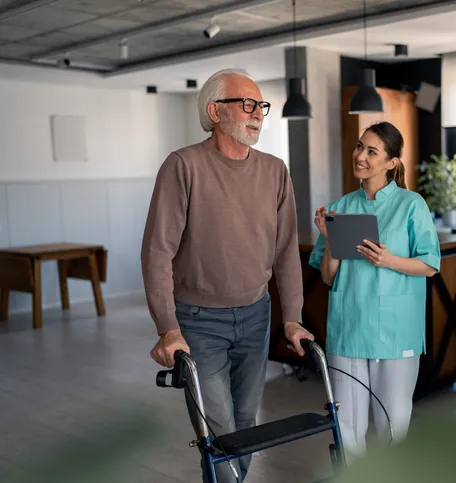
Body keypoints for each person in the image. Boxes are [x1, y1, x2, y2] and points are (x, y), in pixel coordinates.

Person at [141, 69, 312, 482]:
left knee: (245, 423)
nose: (258, 115)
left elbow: (286, 250)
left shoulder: (275, 171)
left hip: (257, 315)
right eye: (247, 105)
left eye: (261, 106)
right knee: (219, 429)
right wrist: (167, 328)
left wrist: (292, 317)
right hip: (200, 322)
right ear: (215, 111)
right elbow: (156, 252)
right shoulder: (183, 165)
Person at [309, 121, 441, 463]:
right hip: (349, 327)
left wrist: (389, 259)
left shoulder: (412, 205)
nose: (361, 156)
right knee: (347, 429)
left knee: (393, 428)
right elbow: (327, 278)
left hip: (396, 333)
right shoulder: (339, 207)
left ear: (391, 162)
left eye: (372, 151)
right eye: (359, 147)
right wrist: (330, 239)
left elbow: (429, 264)